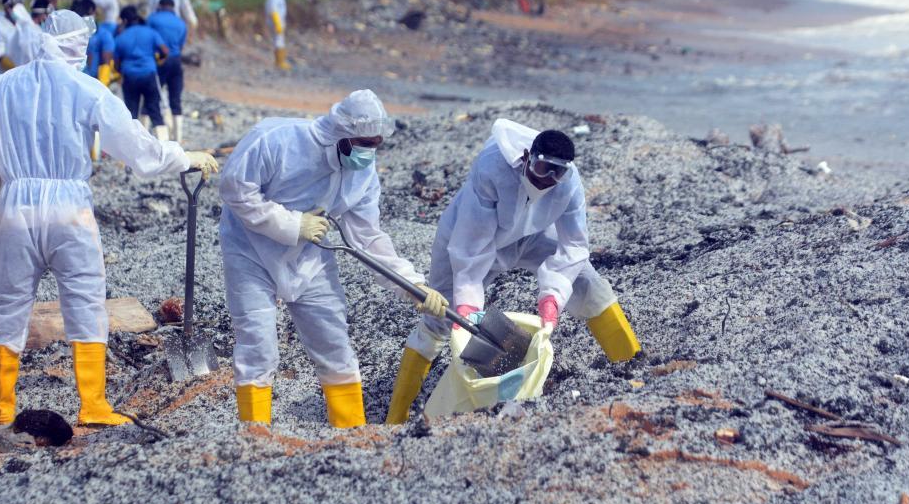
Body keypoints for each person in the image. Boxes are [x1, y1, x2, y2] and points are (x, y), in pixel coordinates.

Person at [0, 9, 218, 427]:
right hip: (69, 209)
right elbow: (136, 148)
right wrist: (183, 157)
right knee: (86, 301)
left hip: (15, 208)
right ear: (79, 46)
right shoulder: (87, 88)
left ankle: (3, 409)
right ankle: (93, 405)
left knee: (7, 304)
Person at [385, 119, 642, 424]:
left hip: (531, 236)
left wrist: (553, 294)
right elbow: (471, 248)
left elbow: (574, 245)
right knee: (440, 315)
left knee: (588, 284)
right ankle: (396, 418)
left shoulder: (568, 183)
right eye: (543, 168)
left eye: (558, 172)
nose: (548, 179)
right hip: (467, 237)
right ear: (527, 158)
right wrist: (467, 307)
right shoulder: (491, 168)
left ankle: (633, 366)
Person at [218, 90, 448, 428]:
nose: (368, 153)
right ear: (340, 134)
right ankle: (254, 435)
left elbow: (368, 238)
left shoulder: (362, 174)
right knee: (258, 346)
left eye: (376, 145)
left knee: (335, 343)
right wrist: (291, 224)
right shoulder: (277, 140)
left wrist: (412, 285)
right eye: (364, 144)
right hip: (250, 252)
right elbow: (235, 189)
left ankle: (351, 432)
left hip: (309, 257)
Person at [114, 5, 169, 138]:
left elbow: (116, 64)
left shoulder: (120, 38)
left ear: (125, 21)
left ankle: (132, 144)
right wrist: (158, 61)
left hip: (130, 76)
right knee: (155, 110)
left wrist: (121, 71)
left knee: (131, 113)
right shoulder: (150, 32)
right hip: (149, 74)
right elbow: (165, 51)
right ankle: (164, 143)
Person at [147, 0, 188, 143]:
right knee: (175, 99)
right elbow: (181, 45)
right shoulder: (181, 23)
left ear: (160, 5)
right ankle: (178, 139)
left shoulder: (152, 19)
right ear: (173, 7)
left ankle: (146, 133)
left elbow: (148, 39)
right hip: (176, 61)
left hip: (159, 60)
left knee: (152, 96)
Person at [72, 0, 116, 86]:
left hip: (92, 81)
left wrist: (102, 84)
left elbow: (106, 60)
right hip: (76, 80)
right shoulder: (73, 33)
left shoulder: (103, 35)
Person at [5, 0, 52, 67]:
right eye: (46, 15)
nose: (46, 18)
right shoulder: (32, 32)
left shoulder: (28, 27)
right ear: (42, 14)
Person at [264, 0, 289, 71]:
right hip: (275, 22)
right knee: (279, 41)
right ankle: (280, 62)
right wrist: (277, 23)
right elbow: (273, 9)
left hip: (278, 21)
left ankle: (280, 61)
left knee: (279, 41)